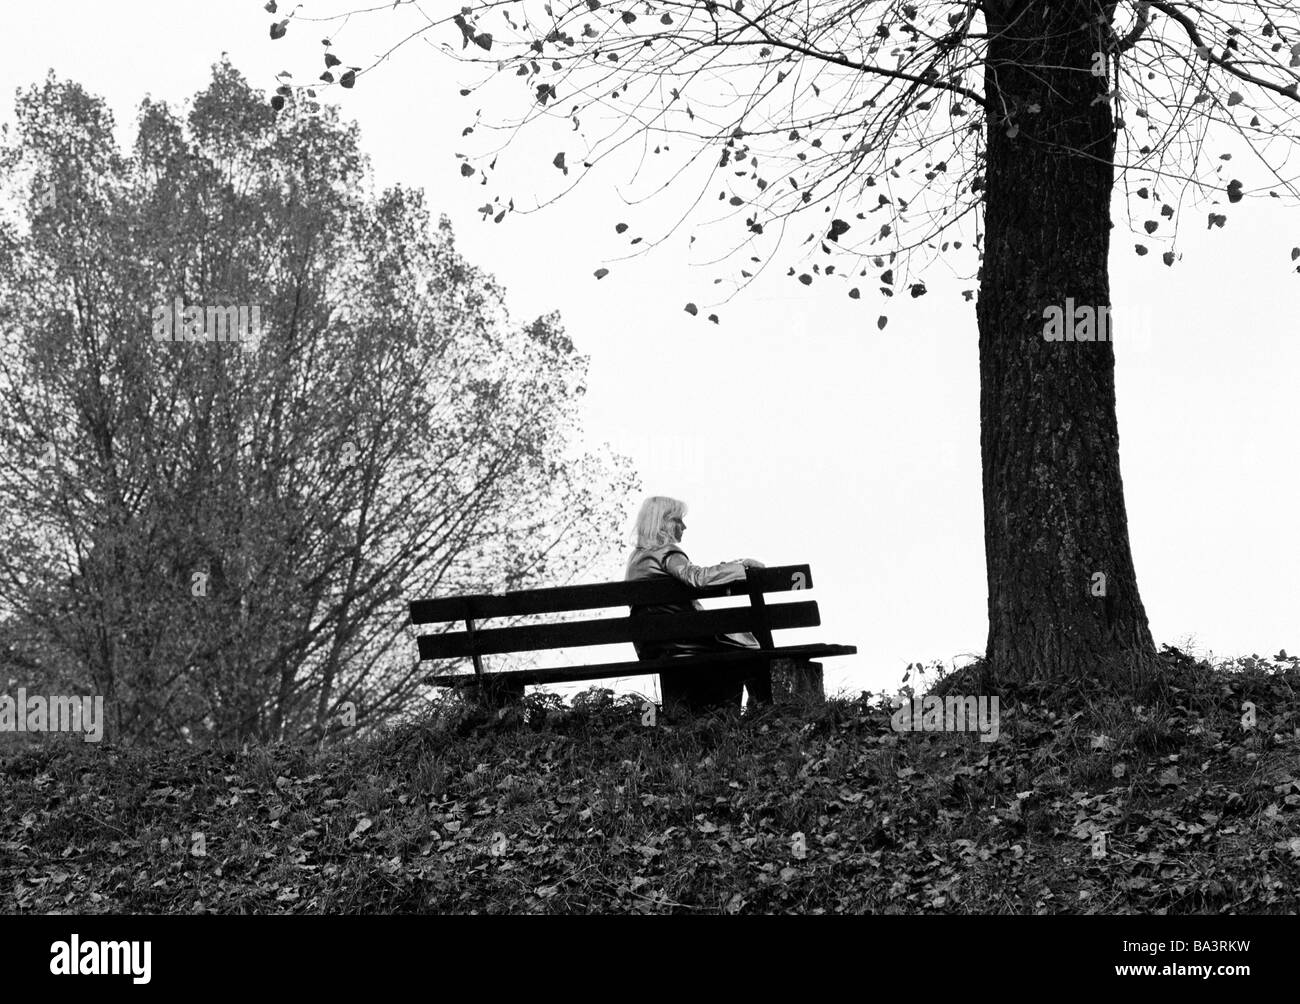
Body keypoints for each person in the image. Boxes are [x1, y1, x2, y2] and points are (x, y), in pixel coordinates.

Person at [624, 496, 770, 712]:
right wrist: (742, 568)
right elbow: (697, 578)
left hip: (652, 646)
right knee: (750, 641)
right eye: (678, 520)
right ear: (663, 522)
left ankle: (743, 708)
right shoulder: (666, 552)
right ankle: (761, 708)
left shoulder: (636, 559)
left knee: (737, 642)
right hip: (681, 641)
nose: (684, 526)